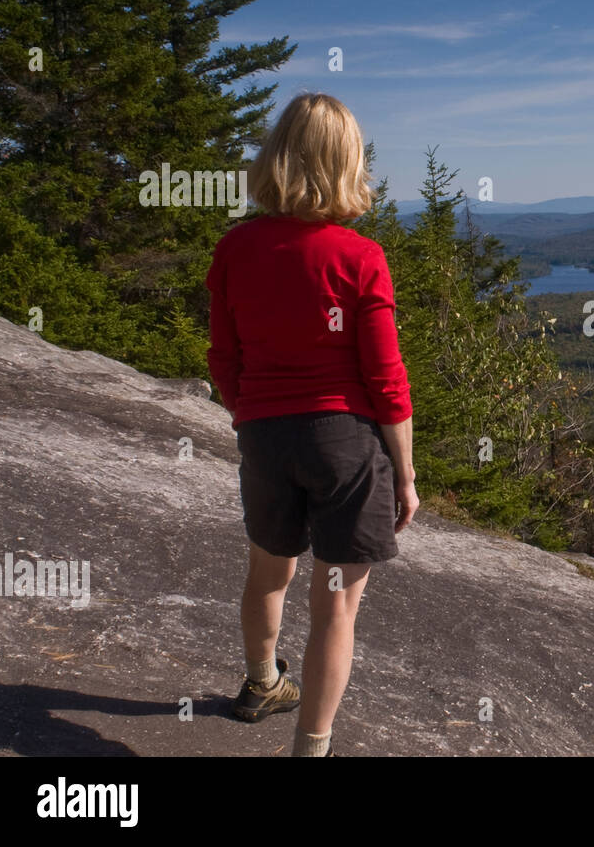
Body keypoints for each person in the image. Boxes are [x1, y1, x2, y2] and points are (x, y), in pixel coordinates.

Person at [205, 92, 420, 757]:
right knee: (335, 606)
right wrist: (406, 476)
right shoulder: (359, 258)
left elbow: (223, 355)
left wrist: (252, 414)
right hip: (344, 448)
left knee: (268, 571)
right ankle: (310, 749)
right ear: (347, 164)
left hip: (266, 439)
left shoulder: (237, 248)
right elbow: (387, 381)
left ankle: (261, 682)